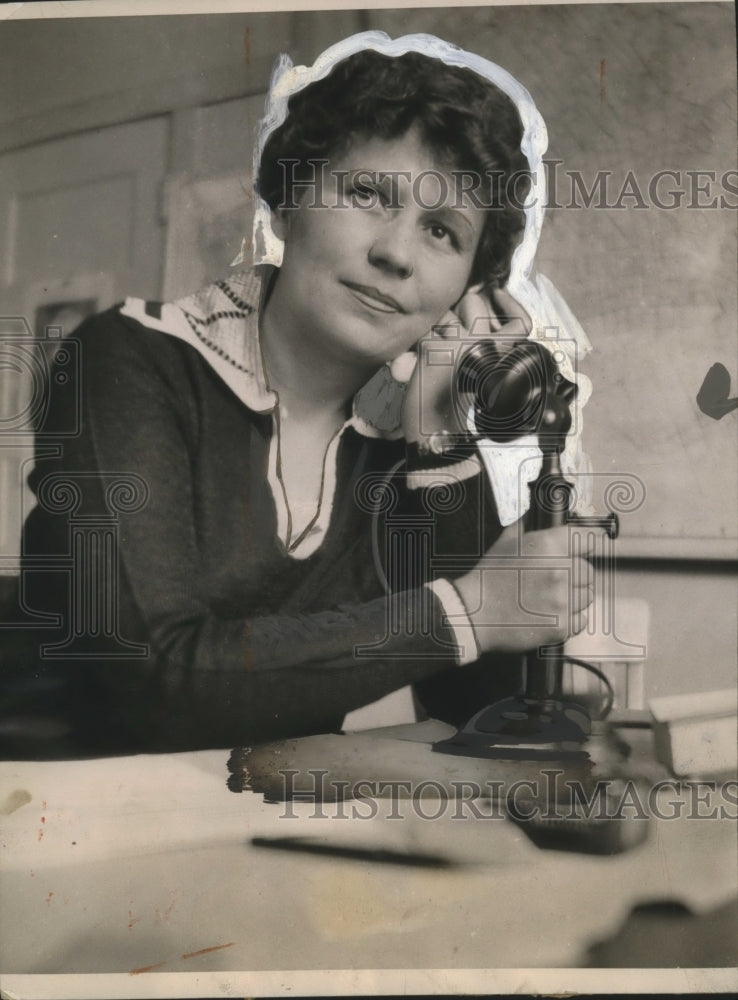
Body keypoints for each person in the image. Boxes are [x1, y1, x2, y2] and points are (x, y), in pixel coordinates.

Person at [6, 33, 594, 757]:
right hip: (64, 811)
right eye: (369, 194)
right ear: (286, 206)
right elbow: (158, 677)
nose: (397, 254)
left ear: (467, 290)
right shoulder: (128, 356)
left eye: (442, 231)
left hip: (256, 818)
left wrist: (443, 446)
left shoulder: (406, 435)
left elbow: (482, 719)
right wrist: (468, 611)